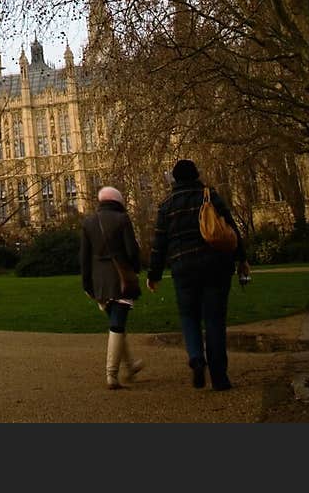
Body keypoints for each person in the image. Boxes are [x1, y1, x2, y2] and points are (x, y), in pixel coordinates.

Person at [146, 158, 250, 391]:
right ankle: (220, 378)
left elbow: (159, 244)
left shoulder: (166, 205)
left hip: (183, 268)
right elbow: (229, 227)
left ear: (174, 179)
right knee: (214, 320)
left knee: (189, 316)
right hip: (215, 264)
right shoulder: (209, 195)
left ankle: (196, 357)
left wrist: (154, 274)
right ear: (196, 175)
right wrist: (241, 258)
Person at [80, 185, 144, 390]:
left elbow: (84, 257)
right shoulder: (122, 219)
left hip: (99, 281)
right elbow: (131, 250)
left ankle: (130, 367)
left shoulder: (88, 222)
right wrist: (136, 268)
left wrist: (87, 284)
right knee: (117, 324)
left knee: (117, 323)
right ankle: (111, 375)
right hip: (120, 278)